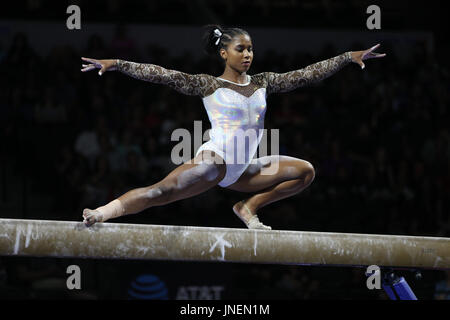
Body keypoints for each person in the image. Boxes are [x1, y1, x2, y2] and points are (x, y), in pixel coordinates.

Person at [80, 25, 385, 229]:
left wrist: (347, 57)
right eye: (241, 49)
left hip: (244, 170)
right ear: (224, 53)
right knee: (163, 191)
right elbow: (162, 74)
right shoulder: (208, 84)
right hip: (216, 159)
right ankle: (103, 212)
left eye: (250, 48)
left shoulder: (265, 81)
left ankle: (247, 207)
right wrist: (118, 63)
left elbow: (306, 74)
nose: (248, 54)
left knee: (305, 172)